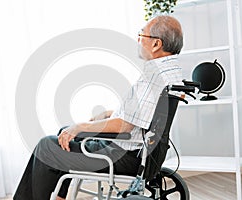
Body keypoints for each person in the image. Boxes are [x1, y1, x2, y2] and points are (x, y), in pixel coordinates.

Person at [13, 15, 183, 200]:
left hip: (123, 155)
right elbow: (142, 115)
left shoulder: (153, 76)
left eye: (142, 35)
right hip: (140, 151)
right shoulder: (170, 73)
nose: (138, 39)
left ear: (156, 44)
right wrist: (109, 114)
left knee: (48, 146)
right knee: (64, 134)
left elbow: (125, 126)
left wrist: (80, 126)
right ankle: (59, 197)